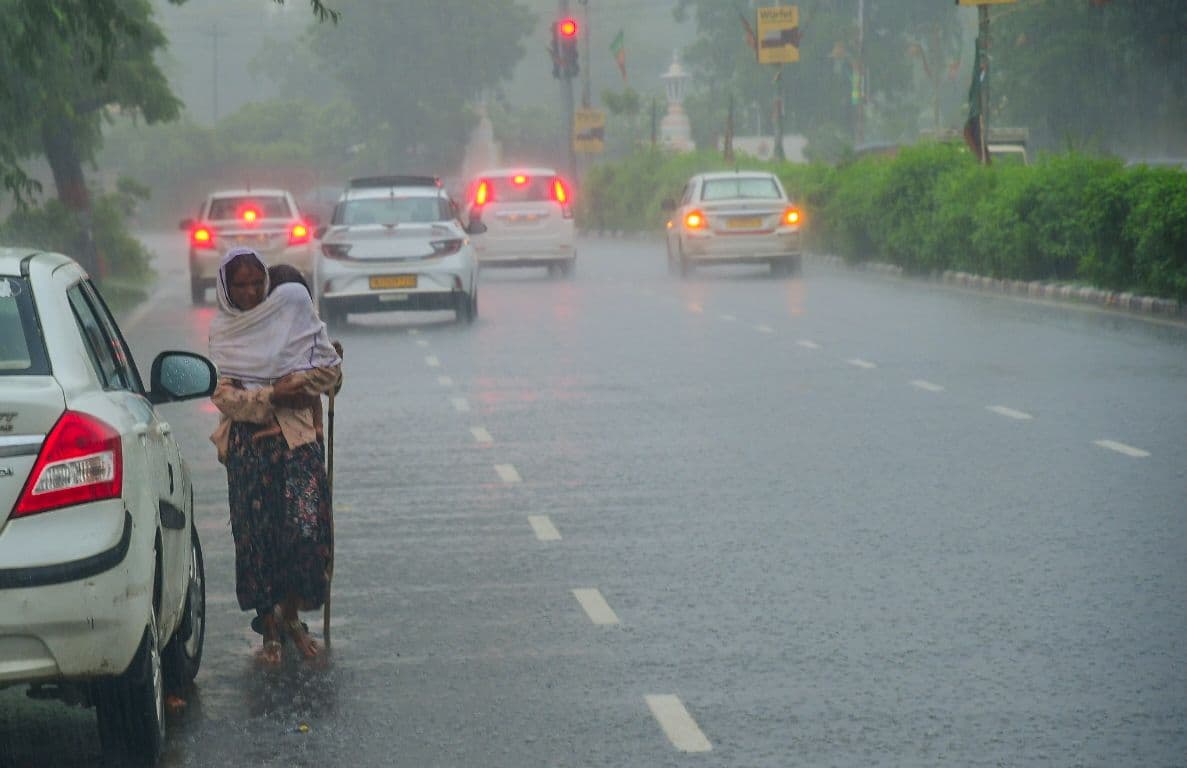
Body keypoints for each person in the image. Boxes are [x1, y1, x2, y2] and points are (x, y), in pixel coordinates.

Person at [208, 247, 342, 664]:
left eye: (255, 282)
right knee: (258, 539)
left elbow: (330, 371)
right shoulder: (224, 333)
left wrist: (299, 382)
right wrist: (272, 394)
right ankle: (270, 624)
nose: (250, 292)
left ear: (266, 281)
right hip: (249, 452)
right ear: (226, 290)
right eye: (240, 285)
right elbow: (225, 397)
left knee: (304, 535)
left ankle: (291, 615)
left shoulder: (290, 313)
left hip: (297, 445)